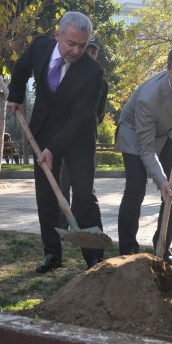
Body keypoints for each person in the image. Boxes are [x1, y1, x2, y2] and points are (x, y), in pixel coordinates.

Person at [7, 11, 105, 271]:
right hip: (44, 131)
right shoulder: (40, 47)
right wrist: (15, 95)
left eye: (82, 46)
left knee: (84, 196)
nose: (76, 51)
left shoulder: (92, 73)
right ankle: (52, 254)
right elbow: (21, 68)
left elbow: (82, 117)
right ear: (57, 35)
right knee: (46, 198)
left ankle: (94, 257)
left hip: (79, 137)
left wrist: (55, 148)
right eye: (70, 44)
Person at [115, 45, 172, 266]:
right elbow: (145, 148)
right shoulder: (148, 98)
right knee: (136, 188)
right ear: (168, 69)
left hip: (165, 130)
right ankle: (128, 249)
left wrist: (167, 182)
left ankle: (162, 245)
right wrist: (160, 179)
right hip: (135, 134)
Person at [59, 36, 109, 219]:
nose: (91, 55)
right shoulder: (64, 75)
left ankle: (84, 225)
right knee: (62, 182)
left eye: (94, 52)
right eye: (88, 51)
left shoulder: (102, 83)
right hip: (63, 137)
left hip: (86, 138)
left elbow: (100, 114)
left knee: (84, 185)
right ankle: (63, 223)